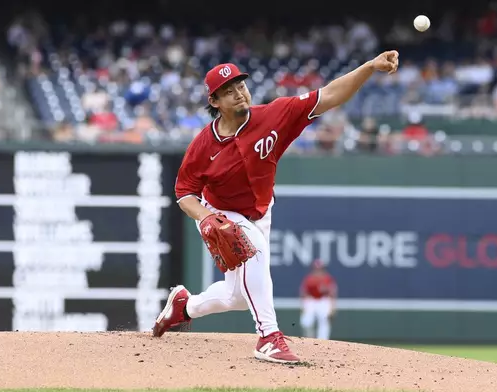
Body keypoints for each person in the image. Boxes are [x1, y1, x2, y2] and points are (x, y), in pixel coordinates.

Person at [152, 50, 399, 364]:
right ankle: (268, 337)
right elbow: (184, 192)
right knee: (252, 249)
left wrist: (368, 67)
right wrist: (206, 216)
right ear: (214, 102)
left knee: (237, 297)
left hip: (260, 210)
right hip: (222, 213)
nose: (238, 94)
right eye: (228, 92)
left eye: (240, 86)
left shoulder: (275, 114)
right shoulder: (203, 145)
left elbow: (331, 95)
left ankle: (184, 306)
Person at [299, 259, 337, 340]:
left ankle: (323, 342)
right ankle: (309, 339)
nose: (318, 271)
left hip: (323, 301)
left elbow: (332, 293)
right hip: (312, 300)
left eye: (320, 269)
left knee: (324, 321)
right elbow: (303, 293)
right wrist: (304, 305)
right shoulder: (309, 279)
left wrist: (332, 307)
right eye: (316, 269)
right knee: (306, 322)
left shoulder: (327, 279)